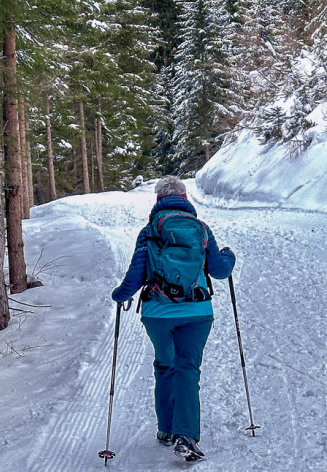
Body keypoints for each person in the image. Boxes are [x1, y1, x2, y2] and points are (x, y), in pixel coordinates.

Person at [112, 176, 235, 461]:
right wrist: (230, 257)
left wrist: (120, 295)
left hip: (157, 314)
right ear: (185, 197)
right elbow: (219, 270)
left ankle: (166, 430)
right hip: (198, 312)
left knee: (165, 365)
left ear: (157, 200)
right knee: (188, 368)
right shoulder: (201, 229)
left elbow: (134, 276)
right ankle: (187, 435)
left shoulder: (149, 231)